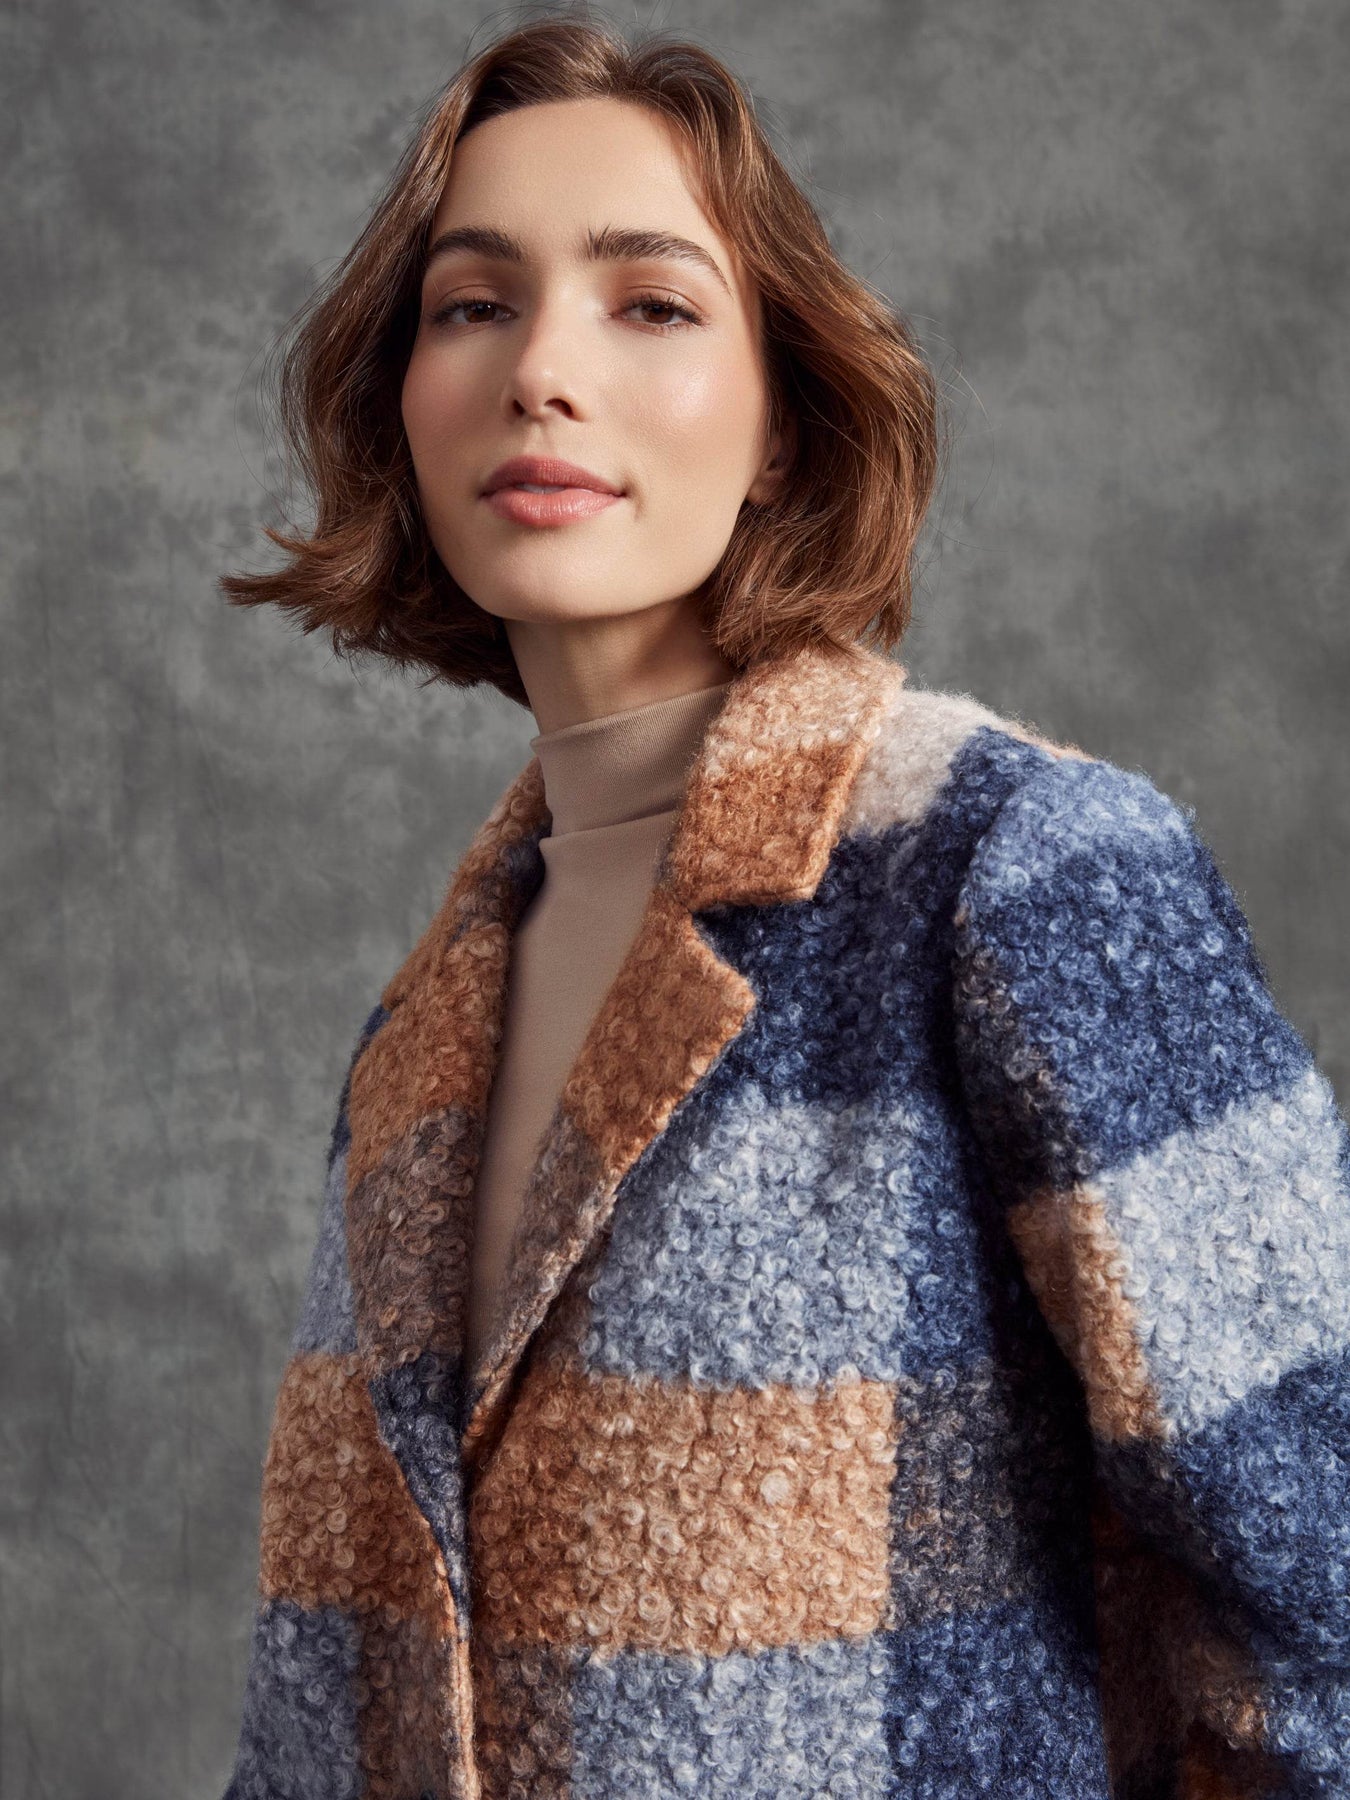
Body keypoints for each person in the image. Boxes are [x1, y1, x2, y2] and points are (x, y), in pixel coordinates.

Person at [218, 15, 1349, 1799]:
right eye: (471, 304)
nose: (540, 371)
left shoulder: (1018, 865)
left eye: (650, 304)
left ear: (778, 427)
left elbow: (1318, 1584)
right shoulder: (422, 1027)